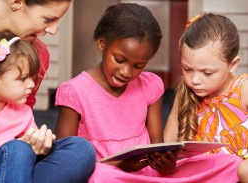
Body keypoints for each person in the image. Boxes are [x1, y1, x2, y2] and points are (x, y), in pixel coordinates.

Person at [55, 3, 242, 182]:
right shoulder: (75, 91)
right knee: (101, 175)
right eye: (119, 60)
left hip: (149, 175)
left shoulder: (150, 86)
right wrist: (120, 167)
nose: (127, 72)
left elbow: (158, 148)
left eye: (139, 66)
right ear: (102, 44)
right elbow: (67, 160)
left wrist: (166, 163)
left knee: (230, 163)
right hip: (108, 175)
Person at [0, 32, 95, 183]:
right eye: (23, 79)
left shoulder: (23, 113)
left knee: (81, 149)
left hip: (13, 173)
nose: (32, 84)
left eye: (32, 77)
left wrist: (39, 147)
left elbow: (22, 157)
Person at [164, 13, 247, 182]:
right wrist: (165, 161)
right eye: (187, 69)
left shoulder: (243, 89)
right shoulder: (184, 94)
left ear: (233, 65)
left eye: (207, 73)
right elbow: (166, 145)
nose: (195, 80)